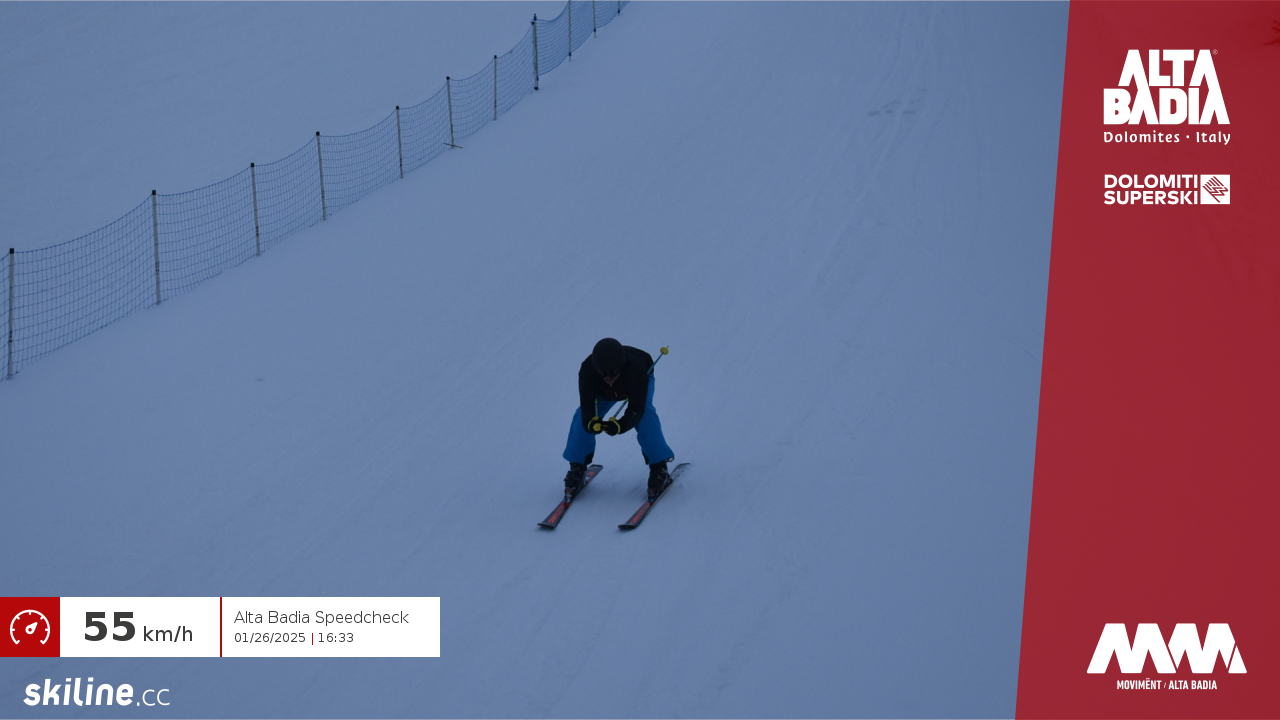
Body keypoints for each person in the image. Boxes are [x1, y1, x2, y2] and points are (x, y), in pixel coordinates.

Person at [563, 338, 675, 501]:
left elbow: (637, 409)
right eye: (602, 372)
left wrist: (621, 425)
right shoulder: (587, 370)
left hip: (633, 385)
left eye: (613, 371)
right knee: (580, 417)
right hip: (603, 392)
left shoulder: (636, 370)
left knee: (646, 414)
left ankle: (659, 467)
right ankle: (577, 466)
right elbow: (587, 406)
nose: (608, 376)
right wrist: (590, 422)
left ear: (621, 367)